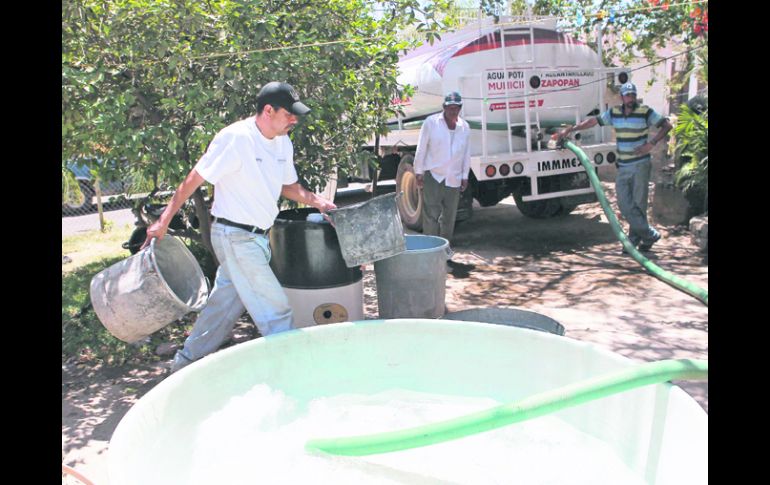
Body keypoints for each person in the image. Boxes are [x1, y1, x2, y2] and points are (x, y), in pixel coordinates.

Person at [141, 81, 337, 373]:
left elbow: (289, 186)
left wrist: (320, 202)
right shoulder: (236, 138)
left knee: (222, 308)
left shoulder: (283, 141)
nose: (294, 120)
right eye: (289, 114)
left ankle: (184, 363)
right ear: (268, 111)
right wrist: (163, 221)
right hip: (234, 236)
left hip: (257, 238)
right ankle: (297, 374)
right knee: (275, 310)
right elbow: (195, 179)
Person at [552, 82, 672, 254]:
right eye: (627, 95)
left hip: (640, 164)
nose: (630, 98)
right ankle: (649, 234)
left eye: (632, 95)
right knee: (624, 203)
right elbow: (594, 121)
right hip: (623, 166)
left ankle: (635, 239)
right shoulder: (614, 113)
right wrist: (572, 129)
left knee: (638, 204)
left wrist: (651, 144)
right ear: (622, 97)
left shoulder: (645, 112)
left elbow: (667, 125)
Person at [413, 91, 471, 256]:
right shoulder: (431, 123)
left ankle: (444, 250)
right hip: (434, 175)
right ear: (444, 107)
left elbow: (466, 153)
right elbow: (422, 148)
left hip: (454, 178)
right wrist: (419, 172)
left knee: (449, 218)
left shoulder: (464, 127)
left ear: (460, 108)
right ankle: (430, 251)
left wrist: (465, 176)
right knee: (431, 215)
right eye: (450, 107)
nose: (453, 111)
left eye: (456, 108)